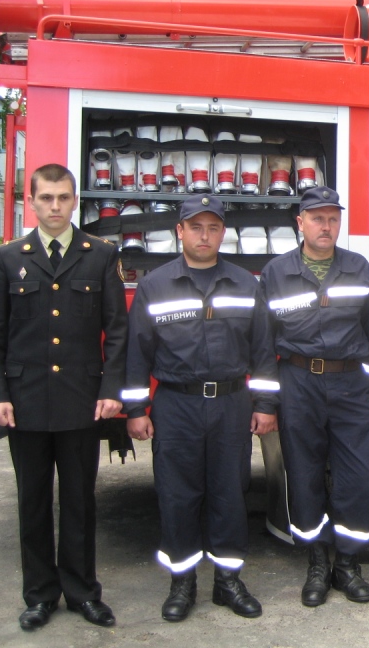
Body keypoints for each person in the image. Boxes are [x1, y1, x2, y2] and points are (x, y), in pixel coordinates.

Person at [0, 163, 126, 631]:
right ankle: (40, 595)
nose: (55, 207)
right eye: (46, 198)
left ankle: (84, 592)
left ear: (74, 200)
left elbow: (117, 332)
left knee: (81, 502)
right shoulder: (8, 257)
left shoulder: (100, 254)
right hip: (24, 403)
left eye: (64, 198)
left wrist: (110, 391)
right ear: (32, 200)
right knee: (33, 501)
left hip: (82, 400)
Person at [123, 194, 279, 622]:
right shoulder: (156, 285)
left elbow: (263, 351)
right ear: (180, 231)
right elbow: (136, 353)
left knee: (230, 494)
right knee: (178, 496)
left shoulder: (247, 284)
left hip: (231, 402)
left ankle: (228, 582)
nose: (204, 235)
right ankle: (183, 582)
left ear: (222, 232)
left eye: (212, 227)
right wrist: (136, 409)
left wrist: (264, 403)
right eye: (196, 227)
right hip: (176, 404)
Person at [259, 186, 369, 607]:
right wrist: (267, 402)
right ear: (300, 223)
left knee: (360, 477)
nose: (325, 226)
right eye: (317, 218)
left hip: (350, 386)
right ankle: (316, 562)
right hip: (298, 384)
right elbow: (263, 344)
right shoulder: (276, 272)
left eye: (332, 218)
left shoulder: (358, 266)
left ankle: (347, 564)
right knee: (304, 474)